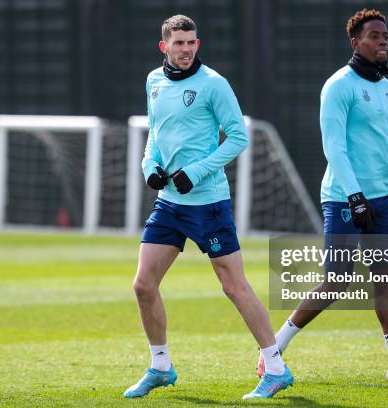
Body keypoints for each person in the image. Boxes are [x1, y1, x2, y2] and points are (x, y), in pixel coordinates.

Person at [257, 9, 388, 383]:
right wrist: (354, 196)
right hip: (343, 201)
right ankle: (274, 348)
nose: (383, 41)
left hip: (379, 203)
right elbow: (334, 148)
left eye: (385, 36)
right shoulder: (338, 86)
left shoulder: (386, 89)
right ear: (355, 42)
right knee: (336, 282)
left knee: (387, 280)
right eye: (374, 36)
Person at [123, 15, 293, 399]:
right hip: (169, 203)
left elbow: (238, 137)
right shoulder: (153, 80)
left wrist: (197, 171)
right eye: (178, 43)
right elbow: (155, 133)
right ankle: (161, 366)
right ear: (163, 47)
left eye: (191, 43)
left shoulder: (214, 84)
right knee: (143, 285)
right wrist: (149, 166)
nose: (186, 49)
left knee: (233, 286)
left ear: (198, 44)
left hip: (208, 203)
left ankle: (277, 368)